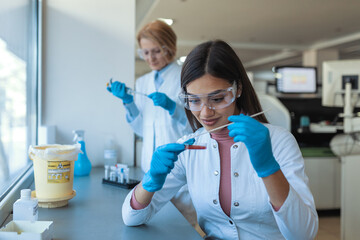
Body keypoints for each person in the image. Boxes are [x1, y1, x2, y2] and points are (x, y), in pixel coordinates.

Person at [122, 40, 319, 239]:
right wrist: (150, 181)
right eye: (194, 100)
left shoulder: (279, 141)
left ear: (238, 89)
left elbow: (303, 234)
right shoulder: (189, 147)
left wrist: (269, 168)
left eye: (217, 99)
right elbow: (131, 218)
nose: (205, 113)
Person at [107, 20, 196, 226]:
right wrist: (128, 102)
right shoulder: (143, 82)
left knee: (182, 227)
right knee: (149, 224)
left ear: (170, 48)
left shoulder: (185, 77)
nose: (150, 58)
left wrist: (174, 107)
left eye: (155, 51)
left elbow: (195, 125)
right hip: (150, 168)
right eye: (145, 53)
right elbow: (141, 129)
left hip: (179, 169)